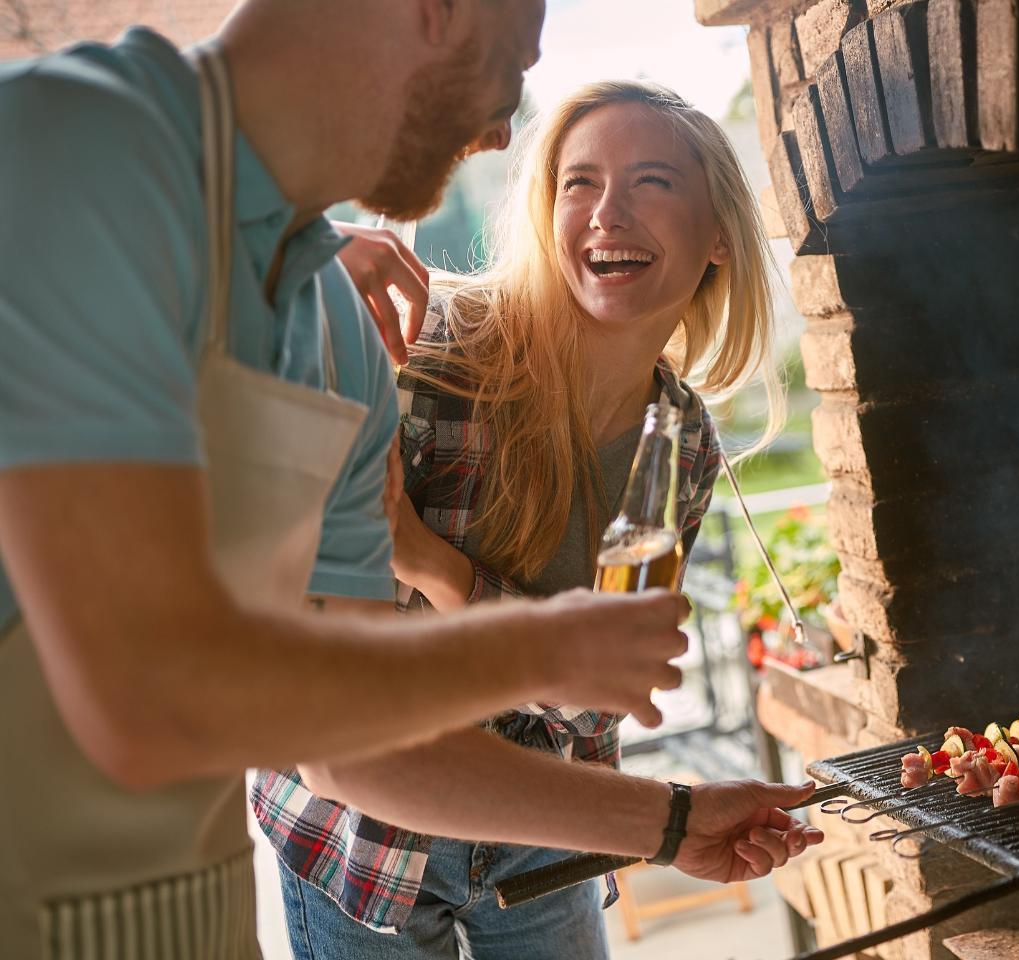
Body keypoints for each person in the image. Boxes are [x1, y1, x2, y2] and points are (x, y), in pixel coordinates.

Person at [0, 3, 816, 957]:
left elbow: (348, 743)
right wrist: (540, 647)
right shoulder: (62, 152)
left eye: (650, 182)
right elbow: (153, 701)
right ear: (440, 12)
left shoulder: (332, 320)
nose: (504, 131)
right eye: (514, 66)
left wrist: (674, 821)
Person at [254, 79, 794, 958]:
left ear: (722, 237)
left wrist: (433, 564)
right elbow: (353, 710)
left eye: (652, 181)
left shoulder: (682, 441)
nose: (606, 213)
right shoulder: (427, 354)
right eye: (578, 182)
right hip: (360, 835)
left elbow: (593, 700)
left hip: (550, 824)